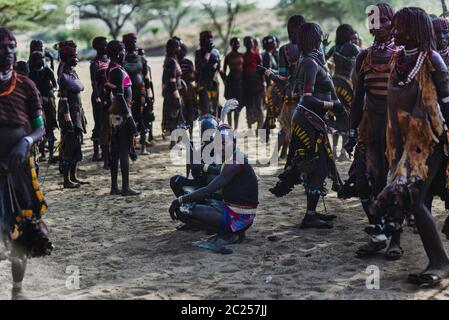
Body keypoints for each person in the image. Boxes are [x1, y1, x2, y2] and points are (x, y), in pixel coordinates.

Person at [370, 7, 449, 286]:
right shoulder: (399, 61)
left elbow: (448, 106)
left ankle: (440, 262)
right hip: (405, 146)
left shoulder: (432, 61)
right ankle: (437, 261)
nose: (395, 31)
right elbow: (393, 110)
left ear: (415, 29)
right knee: (413, 201)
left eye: (401, 26)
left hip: (432, 142)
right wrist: (393, 149)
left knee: (414, 199)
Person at [268, 22, 344, 229]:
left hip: (312, 121)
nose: (321, 37)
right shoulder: (309, 63)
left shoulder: (312, 59)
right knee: (317, 167)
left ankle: (312, 212)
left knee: (317, 167)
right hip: (308, 121)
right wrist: (333, 104)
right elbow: (307, 98)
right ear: (314, 38)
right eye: (319, 35)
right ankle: (309, 216)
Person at [342, 3, 402, 259]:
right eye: (372, 22)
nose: (376, 27)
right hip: (369, 127)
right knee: (366, 184)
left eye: (382, 21)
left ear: (392, 24)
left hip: (395, 128)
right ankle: (378, 235)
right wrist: (351, 131)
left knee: (395, 185)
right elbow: (357, 98)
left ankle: (395, 241)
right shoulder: (363, 56)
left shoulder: (402, 55)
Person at [0, 28, 53, 299]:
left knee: (21, 230)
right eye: (2, 47)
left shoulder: (26, 86)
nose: (7, 52)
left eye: (11, 47)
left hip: (19, 170)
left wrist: (26, 142)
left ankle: (17, 290)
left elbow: (39, 128)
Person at [169, 100, 258, 253]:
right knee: (188, 208)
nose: (221, 145)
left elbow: (209, 188)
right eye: (218, 142)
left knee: (186, 209)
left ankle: (230, 233)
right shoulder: (231, 156)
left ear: (233, 142)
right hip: (232, 207)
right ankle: (225, 230)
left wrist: (179, 200)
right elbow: (206, 172)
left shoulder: (234, 160)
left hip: (239, 216)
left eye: (224, 142)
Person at [105, 40, 140, 196]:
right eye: (123, 50)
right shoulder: (116, 71)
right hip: (122, 114)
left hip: (116, 113)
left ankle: (114, 187)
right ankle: (125, 187)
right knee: (124, 149)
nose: (125, 53)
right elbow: (119, 96)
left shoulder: (113, 69)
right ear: (119, 53)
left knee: (117, 149)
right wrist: (130, 117)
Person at [325, 24, 360, 161]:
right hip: (346, 84)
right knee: (347, 117)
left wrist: (324, 47)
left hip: (334, 84)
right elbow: (363, 56)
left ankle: (333, 151)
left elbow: (323, 59)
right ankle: (343, 152)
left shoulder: (335, 48)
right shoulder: (351, 47)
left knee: (335, 114)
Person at [58, 41, 88, 189]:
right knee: (68, 146)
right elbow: (64, 102)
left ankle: (73, 176)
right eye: (74, 56)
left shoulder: (72, 72)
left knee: (77, 143)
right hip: (69, 115)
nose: (77, 59)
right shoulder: (63, 76)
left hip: (77, 113)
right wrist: (68, 120)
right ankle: (66, 180)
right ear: (67, 58)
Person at [277, 15, 306, 158]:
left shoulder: (285, 50)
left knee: (285, 126)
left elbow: (282, 77)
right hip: (311, 94)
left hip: (292, 94)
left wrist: (270, 74)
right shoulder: (315, 49)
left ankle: (275, 156)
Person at [122, 33, 155, 155]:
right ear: (125, 43)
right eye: (130, 41)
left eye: (134, 41)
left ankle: (143, 146)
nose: (133, 43)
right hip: (127, 93)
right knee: (129, 116)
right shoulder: (122, 59)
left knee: (142, 116)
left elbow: (146, 77)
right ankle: (131, 145)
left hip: (141, 92)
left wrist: (149, 92)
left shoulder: (141, 58)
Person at [29, 51, 58, 164]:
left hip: (49, 103)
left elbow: (55, 85)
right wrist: (39, 97)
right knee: (39, 128)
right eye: (38, 58)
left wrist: (50, 94)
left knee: (50, 128)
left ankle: (51, 155)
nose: (41, 60)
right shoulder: (30, 73)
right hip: (37, 104)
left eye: (42, 58)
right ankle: (42, 153)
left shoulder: (47, 70)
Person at [89, 36, 109, 163]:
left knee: (108, 124)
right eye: (104, 45)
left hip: (108, 94)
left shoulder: (108, 60)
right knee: (99, 123)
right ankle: (96, 152)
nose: (106, 47)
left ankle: (106, 151)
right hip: (99, 95)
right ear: (97, 47)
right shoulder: (95, 63)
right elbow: (94, 82)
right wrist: (97, 97)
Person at [162, 38, 184, 149]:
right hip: (172, 93)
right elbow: (171, 80)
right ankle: (173, 143)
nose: (180, 48)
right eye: (178, 46)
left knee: (175, 117)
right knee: (174, 117)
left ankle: (175, 142)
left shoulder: (171, 59)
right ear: (173, 48)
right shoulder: (170, 61)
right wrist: (177, 96)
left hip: (172, 92)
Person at [195, 31, 221, 116]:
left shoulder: (216, 52)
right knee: (205, 109)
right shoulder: (199, 52)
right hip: (203, 83)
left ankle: (216, 126)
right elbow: (202, 65)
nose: (210, 40)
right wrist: (208, 52)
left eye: (211, 38)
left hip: (214, 83)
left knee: (215, 107)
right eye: (207, 39)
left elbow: (218, 68)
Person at [242, 36, 264, 130]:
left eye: (250, 42)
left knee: (258, 105)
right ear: (244, 44)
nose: (249, 44)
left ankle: (260, 126)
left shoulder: (257, 55)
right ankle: (250, 126)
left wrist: (263, 83)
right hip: (247, 85)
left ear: (253, 44)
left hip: (257, 85)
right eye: (247, 42)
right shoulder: (242, 57)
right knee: (249, 106)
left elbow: (262, 70)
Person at [221, 37, 244, 128]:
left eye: (238, 43)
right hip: (230, 83)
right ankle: (230, 127)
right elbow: (224, 70)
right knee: (230, 107)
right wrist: (225, 80)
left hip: (240, 83)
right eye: (235, 43)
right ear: (231, 45)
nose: (237, 45)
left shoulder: (242, 55)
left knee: (237, 107)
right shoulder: (228, 56)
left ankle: (236, 128)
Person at [178, 42, 197, 137]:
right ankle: (187, 135)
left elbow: (193, 77)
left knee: (188, 113)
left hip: (188, 92)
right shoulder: (175, 63)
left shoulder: (187, 63)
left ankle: (190, 135)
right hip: (180, 91)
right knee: (183, 114)